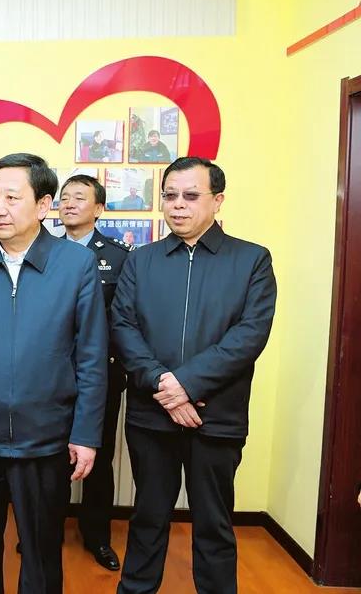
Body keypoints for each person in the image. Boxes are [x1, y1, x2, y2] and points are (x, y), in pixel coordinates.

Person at [0, 152, 108, 594]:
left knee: (42, 552)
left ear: (43, 205)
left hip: (45, 436)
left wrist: (85, 434)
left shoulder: (76, 264)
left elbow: (91, 357)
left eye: (12, 197)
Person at [112, 157, 277, 594]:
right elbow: (123, 327)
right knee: (147, 517)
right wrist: (163, 384)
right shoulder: (141, 260)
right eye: (170, 196)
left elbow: (250, 334)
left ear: (218, 200)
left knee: (213, 523)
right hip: (152, 416)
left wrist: (186, 384)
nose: (178, 205)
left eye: (190, 195)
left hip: (216, 417)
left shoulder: (251, 260)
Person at [59, 174, 133, 571]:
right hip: (52, 376)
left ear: (99, 208)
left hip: (101, 376)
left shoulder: (120, 258)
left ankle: (97, 536)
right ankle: (45, 530)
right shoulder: (45, 250)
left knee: (98, 458)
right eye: (64, 197)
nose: (69, 203)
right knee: (50, 459)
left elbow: (126, 321)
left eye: (79, 198)